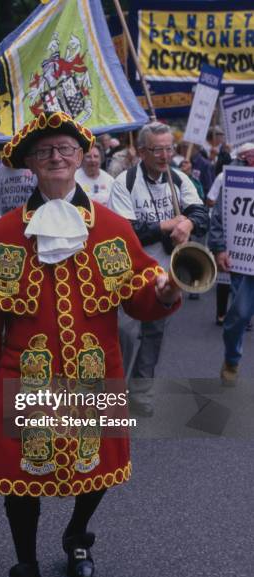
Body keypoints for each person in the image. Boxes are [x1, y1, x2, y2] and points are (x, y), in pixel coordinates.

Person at [0, 111, 181, 577]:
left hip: (94, 372)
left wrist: (166, 291)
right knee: (22, 483)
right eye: (45, 152)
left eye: (65, 149)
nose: (57, 158)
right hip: (27, 374)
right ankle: (25, 570)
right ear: (31, 165)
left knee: (98, 471)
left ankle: (78, 535)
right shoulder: (3, 235)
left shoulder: (109, 228)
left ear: (82, 156)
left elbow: (138, 300)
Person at [108, 122, 208, 417]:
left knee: (154, 337)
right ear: (141, 152)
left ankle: (141, 395)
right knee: (124, 335)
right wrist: (165, 225)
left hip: (167, 274)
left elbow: (201, 213)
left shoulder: (179, 179)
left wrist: (188, 223)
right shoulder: (124, 182)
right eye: (158, 149)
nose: (166, 155)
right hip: (130, 275)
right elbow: (125, 231)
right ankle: (114, 395)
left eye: (169, 148)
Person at [208, 142, 254, 386]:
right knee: (239, 316)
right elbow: (219, 215)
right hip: (245, 262)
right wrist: (218, 247)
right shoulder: (234, 174)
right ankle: (232, 360)